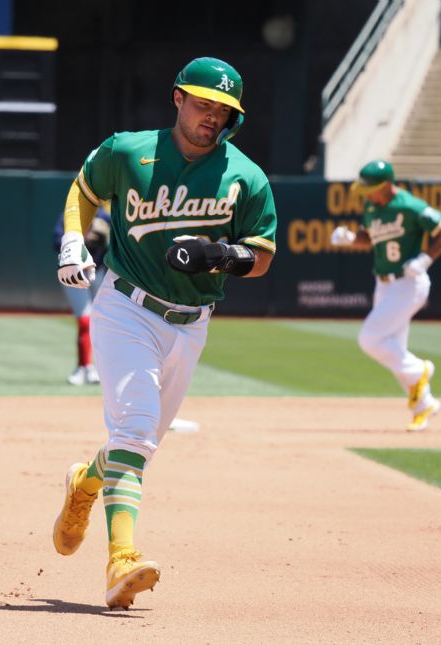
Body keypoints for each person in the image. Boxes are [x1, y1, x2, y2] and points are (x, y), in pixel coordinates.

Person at [52, 56, 277, 609]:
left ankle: (85, 484)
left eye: (223, 110)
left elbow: (265, 254)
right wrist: (73, 242)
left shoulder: (245, 177)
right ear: (178, 98)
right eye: (203, 104)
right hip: (125, 307)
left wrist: (222, 254)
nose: (212, 117)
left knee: (140, 447)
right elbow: (83, 189)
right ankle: (121, 560)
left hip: (191, 322)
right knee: (133, 430)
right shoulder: (129, 151)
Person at [330, 159, 441, 432]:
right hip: (384, 283)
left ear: (387, 185)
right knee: (394, 349)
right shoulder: (372, 205)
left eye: (371, 188)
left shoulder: (409, 205)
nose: (366, 194)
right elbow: (369, 237)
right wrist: (351, 238)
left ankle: (420, 370)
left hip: (409, 282)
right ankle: (424, 406)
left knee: (370, 339)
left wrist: (426, 258)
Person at [53, 204, 111, 385]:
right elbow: (55, 241)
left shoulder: (105, 217)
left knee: (100, 321)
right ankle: (84, 367)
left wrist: (104, 239)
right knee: (85, 319)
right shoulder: (70, 215)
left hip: (99, 270)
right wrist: (79, 240)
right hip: (74, 271)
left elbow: (118, 245)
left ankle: (90, 367)